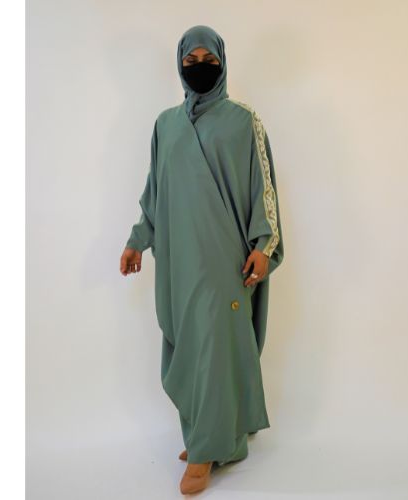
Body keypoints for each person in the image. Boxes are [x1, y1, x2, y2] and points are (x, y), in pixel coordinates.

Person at [119, 24, 284, 495]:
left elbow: (264, 191)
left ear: (222, 62)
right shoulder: (165, 125)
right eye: (190, 61)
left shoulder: (244, 122)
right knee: (191, 349)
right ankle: (214, 434)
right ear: (179, 65)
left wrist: (263, 246)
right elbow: (155, 194)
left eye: (207, 59)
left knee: (215, 347)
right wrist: (137, 240)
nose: (199, 68)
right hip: (180, 263)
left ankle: (205, 451)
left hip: (226, 262)